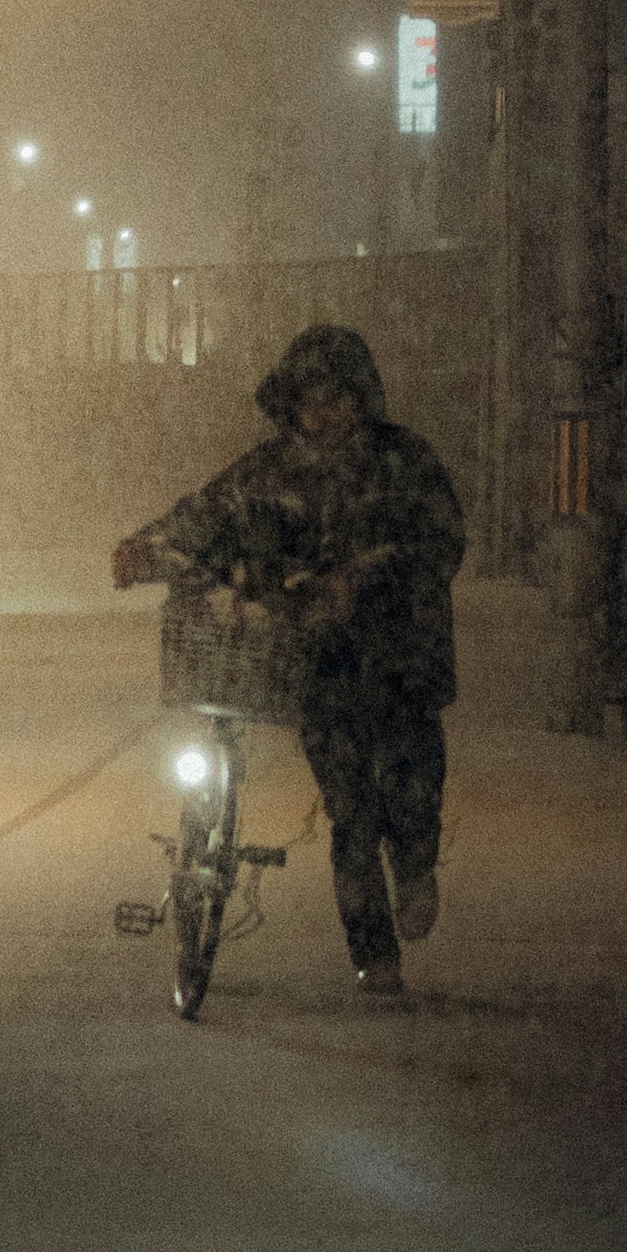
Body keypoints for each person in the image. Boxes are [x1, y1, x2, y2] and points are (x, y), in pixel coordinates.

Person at [111, 320, 467, 985]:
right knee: (350, 811)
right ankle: (375, 956)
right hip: (325, 665)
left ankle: (415, 863)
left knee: (413, 795)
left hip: (404, 661)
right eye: (309, 400)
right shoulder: (269, 469)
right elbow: (203, 513)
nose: (322, 413)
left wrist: (370, 576)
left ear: (361, 398)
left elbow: (444, 541)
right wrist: (141, 546)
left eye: (335, 397)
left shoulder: (404, 462)